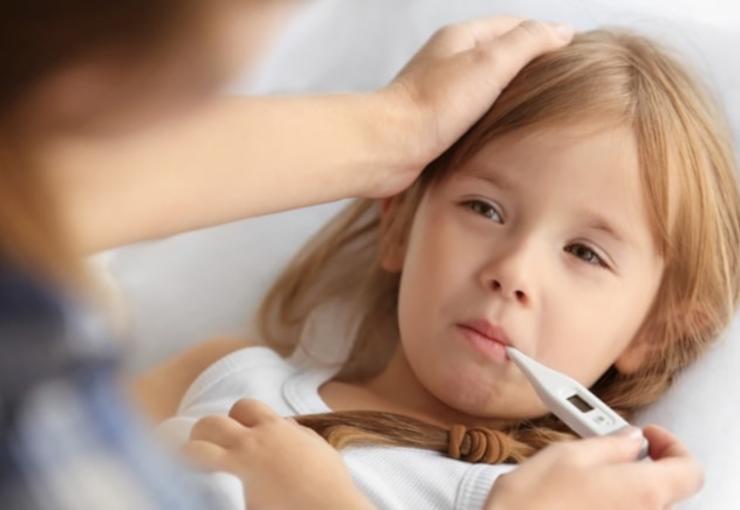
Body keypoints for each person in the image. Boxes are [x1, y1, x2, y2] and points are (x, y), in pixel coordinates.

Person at [141, 29, 738, 509]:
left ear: (656, 332)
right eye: (484, 209)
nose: (513, 271)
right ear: (400, 225)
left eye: (585, 253)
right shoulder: (223, 375)